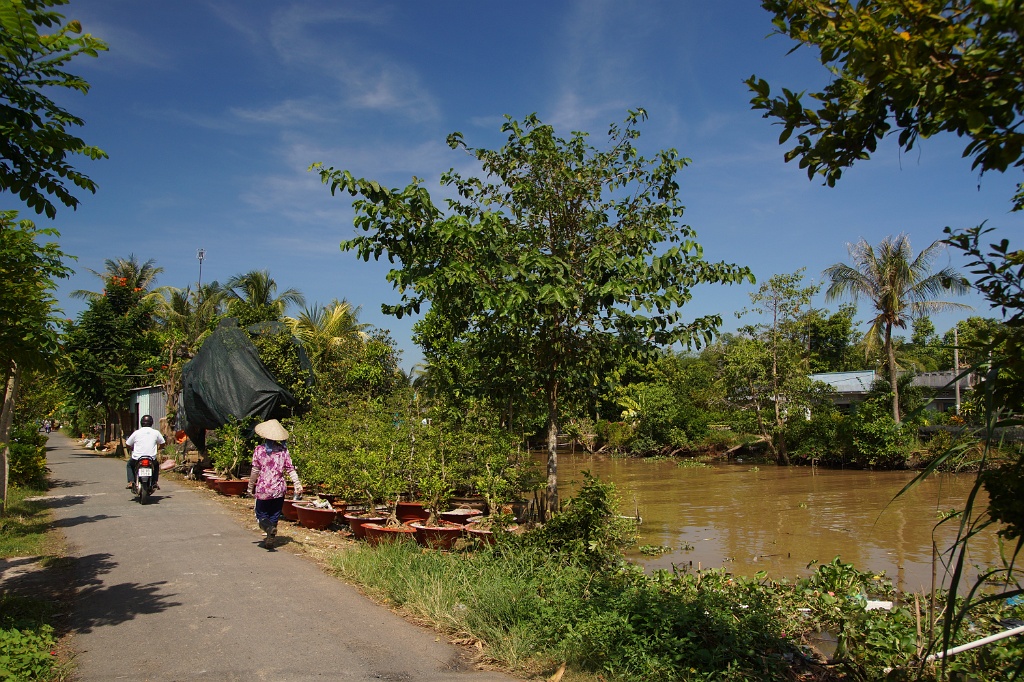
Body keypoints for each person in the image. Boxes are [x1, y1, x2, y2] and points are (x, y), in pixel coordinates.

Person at [247, 419, 302, 549]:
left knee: (261, 515)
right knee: (274, 514)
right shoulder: (284, 451)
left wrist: (250, 487)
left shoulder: (259, 450)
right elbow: (290, 469)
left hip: (264, 488)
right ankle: (270, 536)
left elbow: (255, 470)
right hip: (279, 489)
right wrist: (297, 484)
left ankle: (269, 530)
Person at [125, 415, 166, 490]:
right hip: (151, 458)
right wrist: (158, 449)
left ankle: (131, 482)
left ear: (141, 423)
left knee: (129, 465)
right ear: (151, 423)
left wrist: (132, 448)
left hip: (137, 458)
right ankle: (154, 482)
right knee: (156, 465)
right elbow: (163, 443)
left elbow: (127, 444)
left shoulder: (136, 432)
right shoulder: (156, 432)